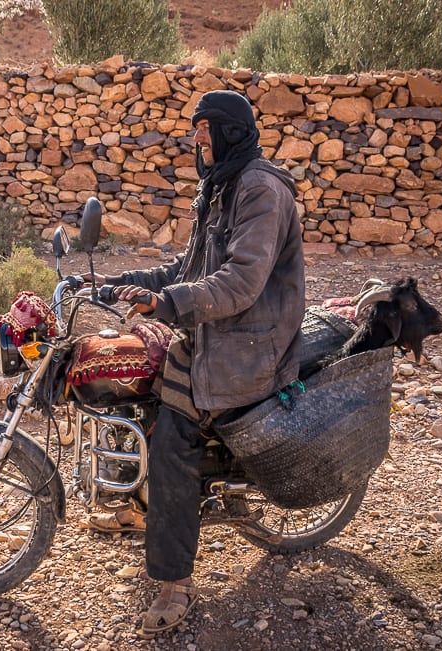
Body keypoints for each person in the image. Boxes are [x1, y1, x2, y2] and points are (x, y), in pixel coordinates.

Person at [86, 89, 305, 636]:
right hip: (216, 335)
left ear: (230, 130)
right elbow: (186, 270)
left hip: (247, 345)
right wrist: (122, 284)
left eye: (204, 128)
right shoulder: (221, 186)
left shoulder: (260, 189)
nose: (196, 139)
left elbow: (241, 283)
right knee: (136, 389)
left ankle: (174, 581)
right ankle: (138, 503)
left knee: (171, 439)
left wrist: (167, 305)